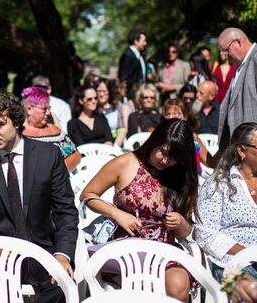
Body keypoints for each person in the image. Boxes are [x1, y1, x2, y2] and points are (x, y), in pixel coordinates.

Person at [0, 90, 77, 303]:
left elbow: (65, 212)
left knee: (60, 289)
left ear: (17, 122)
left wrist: (62, 255)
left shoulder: (49, 156)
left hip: (43, 252)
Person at [80, 119, 200, 302]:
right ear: (154, 141)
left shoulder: (180, 174)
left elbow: (187, 233)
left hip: (163, 249)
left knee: (178, 287)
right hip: (126, 245)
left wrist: (181, 222)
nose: (166, 161)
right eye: (163, 152)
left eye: (174, 157)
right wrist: (117, 213)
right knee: (145, 286)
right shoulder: (126, 162)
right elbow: (88, 195)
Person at [195, 122, 257, 281]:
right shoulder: (220, 183)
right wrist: (247, 253)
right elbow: (205, 232)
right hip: (232, 263)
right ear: (242, 150)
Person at [21, 86, 81, 172]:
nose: (48, 113)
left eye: (49, 108)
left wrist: (59, 171)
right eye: (44, 109)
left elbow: (76, 155)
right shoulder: (19, 135)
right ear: (29, 109)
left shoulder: (54, 130)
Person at [217, 28, 257, 157]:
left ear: (238, 42)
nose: (224, 56)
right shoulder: (241, 65)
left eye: (226, 51)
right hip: (241, 149)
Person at [162, 98, 209, 174]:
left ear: (185, 116)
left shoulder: (193, 137)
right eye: (168, 114)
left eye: (176, 114)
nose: (171, 117)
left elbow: (207, 161)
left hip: (193, 176)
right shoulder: (161, 136)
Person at [95, 78, 128, 147]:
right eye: (99, 91)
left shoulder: (117, 108)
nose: (101, 94)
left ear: (109, 91)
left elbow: (122, 130)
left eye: (104, 91)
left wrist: (114, 148)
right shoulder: (93, 109)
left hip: (114, 144)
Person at [118, 29, 147, 100]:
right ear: (136, 41)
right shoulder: (128, 55)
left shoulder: (139, 56)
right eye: (144, 41)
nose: (145, 43)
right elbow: (124, 78)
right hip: (130, 96)